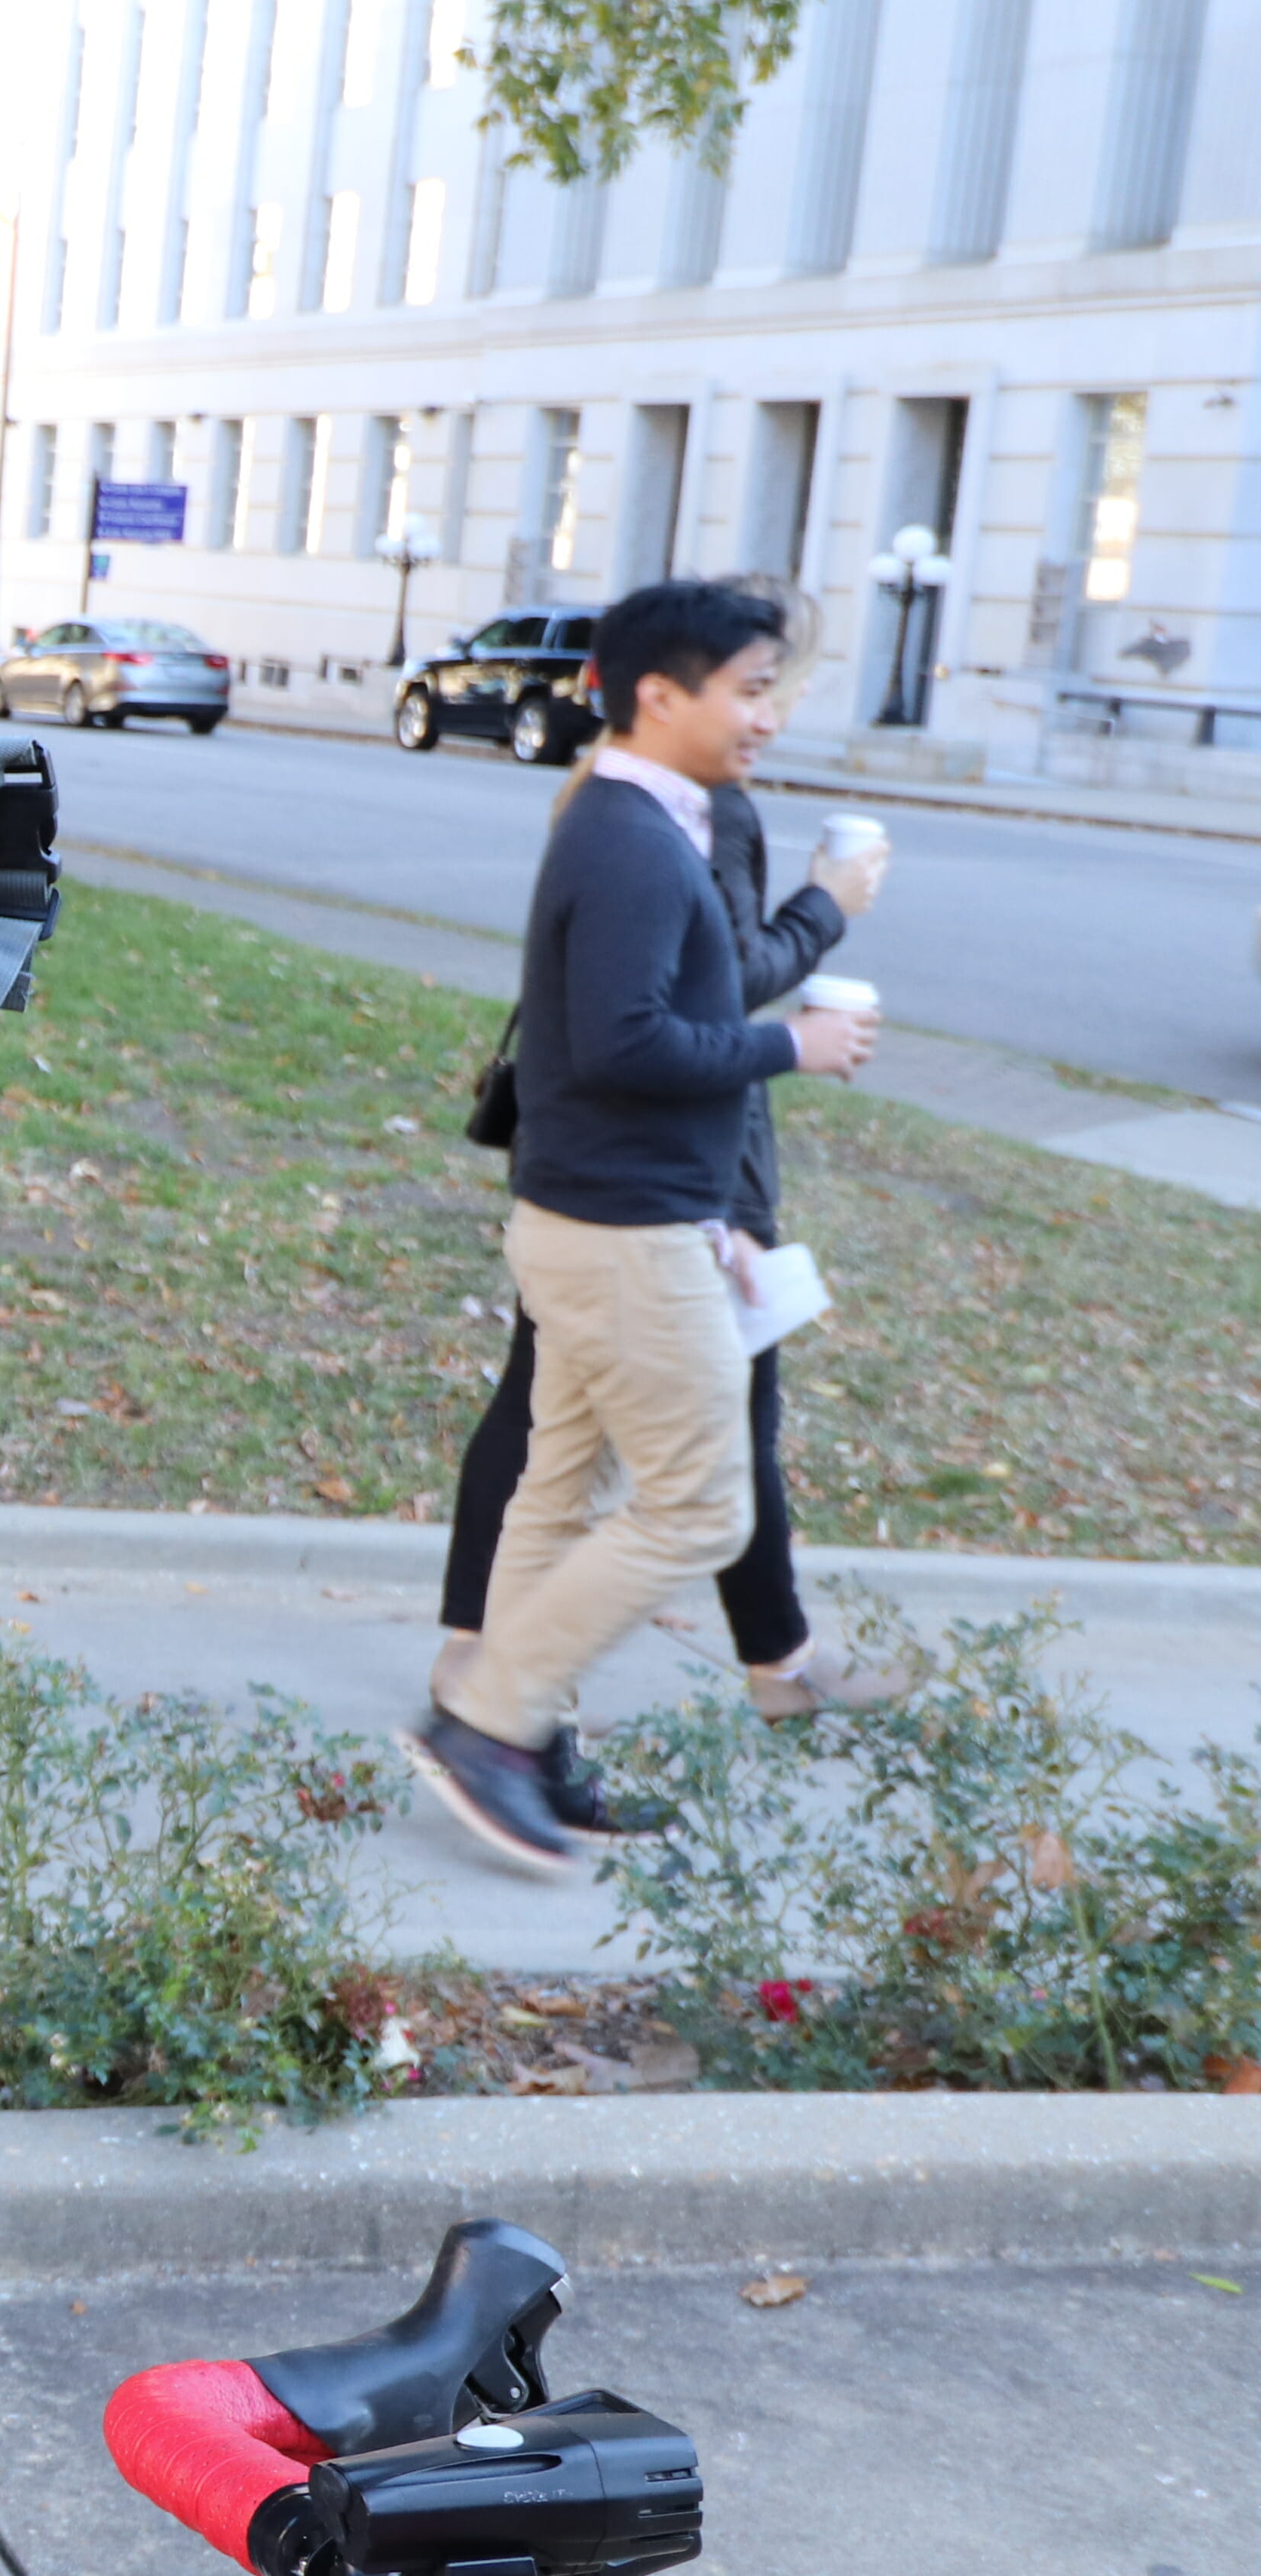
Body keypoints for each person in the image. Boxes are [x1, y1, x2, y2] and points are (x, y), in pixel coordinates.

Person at [409, 578, 878, 1874]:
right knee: (701, 1506)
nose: (768, 717)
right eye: (750, 691)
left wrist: (716, 1213)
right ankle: (489, 1724)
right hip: (618, 1234)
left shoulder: (646, 821)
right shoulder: (628, 837)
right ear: (660, 696)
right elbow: (623, 1046)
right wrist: (793, 1046)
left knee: (563, 1489)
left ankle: (525, 1739)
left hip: (620, 1217)